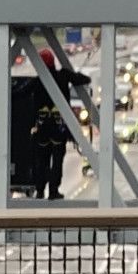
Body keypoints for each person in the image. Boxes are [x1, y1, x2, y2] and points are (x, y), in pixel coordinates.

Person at [22, 49, 92, 200]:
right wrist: (75, 76)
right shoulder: (63, 75)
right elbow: (85, 80)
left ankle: (40, 190)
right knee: (58, 160)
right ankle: (53, 191)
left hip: (42, 128)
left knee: (42, 160)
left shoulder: (38, 81)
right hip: (59, 127)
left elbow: (20, 93)